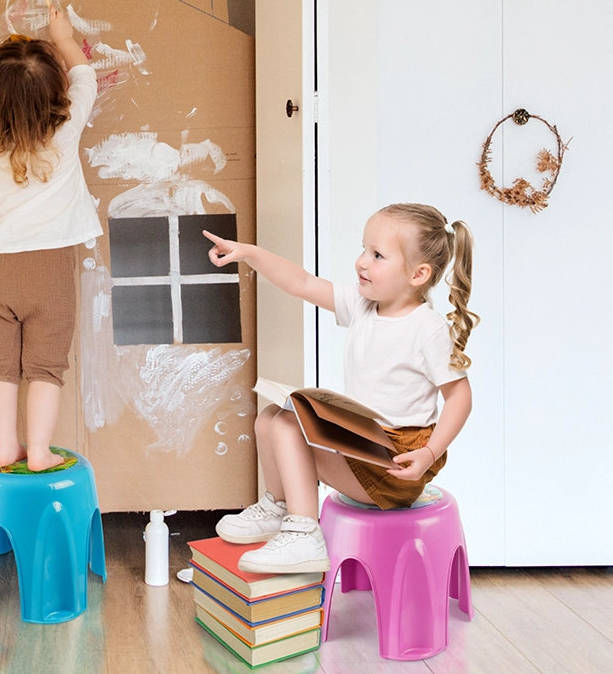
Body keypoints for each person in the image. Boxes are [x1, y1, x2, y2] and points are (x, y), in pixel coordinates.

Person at [204, 203, 478, 573]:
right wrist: (249, 253)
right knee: (269, 417)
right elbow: (301, 282)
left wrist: (429, 454)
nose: (361, 262)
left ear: (418, 274)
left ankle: (304, 534)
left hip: (393, 464)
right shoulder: (365, 305)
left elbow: (459, 396)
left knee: (286, 425)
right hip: (361, 445)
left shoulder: (426, 329)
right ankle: (280, 506)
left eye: (377, 255)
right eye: (364, 249)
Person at [0, 5, 100, 472]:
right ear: (52, 98)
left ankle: (4, 446)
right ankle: (38, 452)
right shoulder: (66, 129)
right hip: (52, 272)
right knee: (44, 370)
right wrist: (62, 38)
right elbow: (86, 79)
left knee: (0, 368)